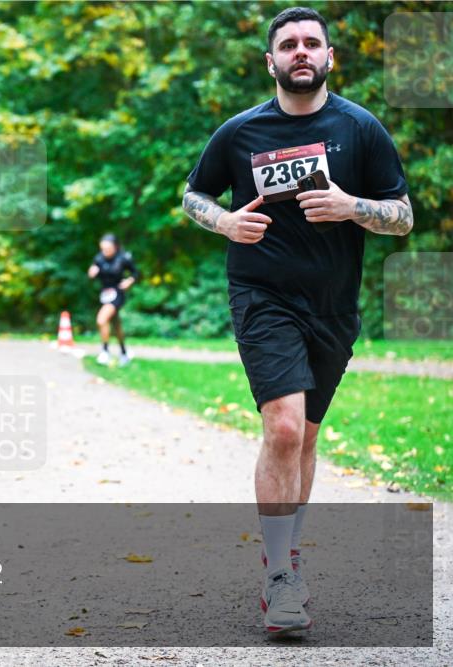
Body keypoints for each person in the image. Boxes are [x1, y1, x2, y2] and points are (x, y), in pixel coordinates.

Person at [181, 7, 412, 635]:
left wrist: (351, 206)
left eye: (312, 42)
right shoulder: (240, 132)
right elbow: (194, 194)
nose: (301, 51)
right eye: (289, 45)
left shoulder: (360, 129)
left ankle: (287, 554)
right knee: (283, 429)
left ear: (330, 56)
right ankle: (280, 575)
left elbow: (402, 214)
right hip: (262, 297)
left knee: (305, 437)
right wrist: (225, 222)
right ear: (271, 62)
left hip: (333, 307)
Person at [87, 233, 139, 365]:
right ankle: (124, 353)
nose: (105, 251)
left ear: (115, 247)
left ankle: (105, 352)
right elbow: (93, 271)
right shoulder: (99, 258)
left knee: (101, 319)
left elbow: (136, 273)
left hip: (118, 293)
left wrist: (129, 281)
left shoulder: (124, 258)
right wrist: (92, 272)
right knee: (116, 324)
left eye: (108, 249)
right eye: (103, 249)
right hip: (105, 294)